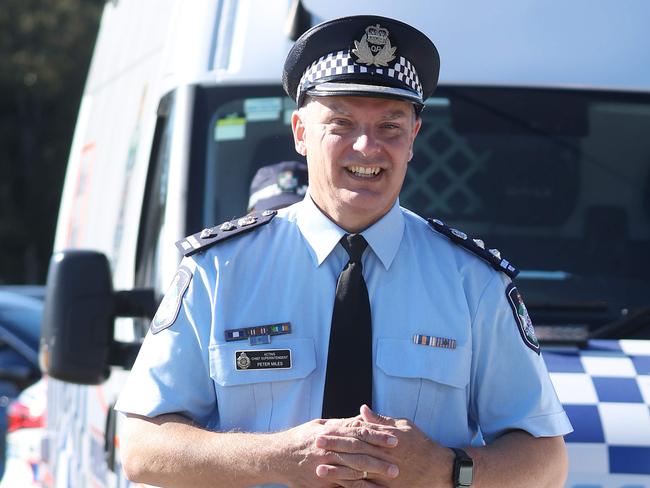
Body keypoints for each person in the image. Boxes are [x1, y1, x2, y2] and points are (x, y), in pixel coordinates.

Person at [116, 14, 572, 488]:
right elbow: (142, 446)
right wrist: (276, 455)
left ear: (414, 138)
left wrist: (445, 469)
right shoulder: (221, 270)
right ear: (299, 133)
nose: (367, 147)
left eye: (390, 126)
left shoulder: (470, 281)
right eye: (341, 122)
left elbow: (546, 461)